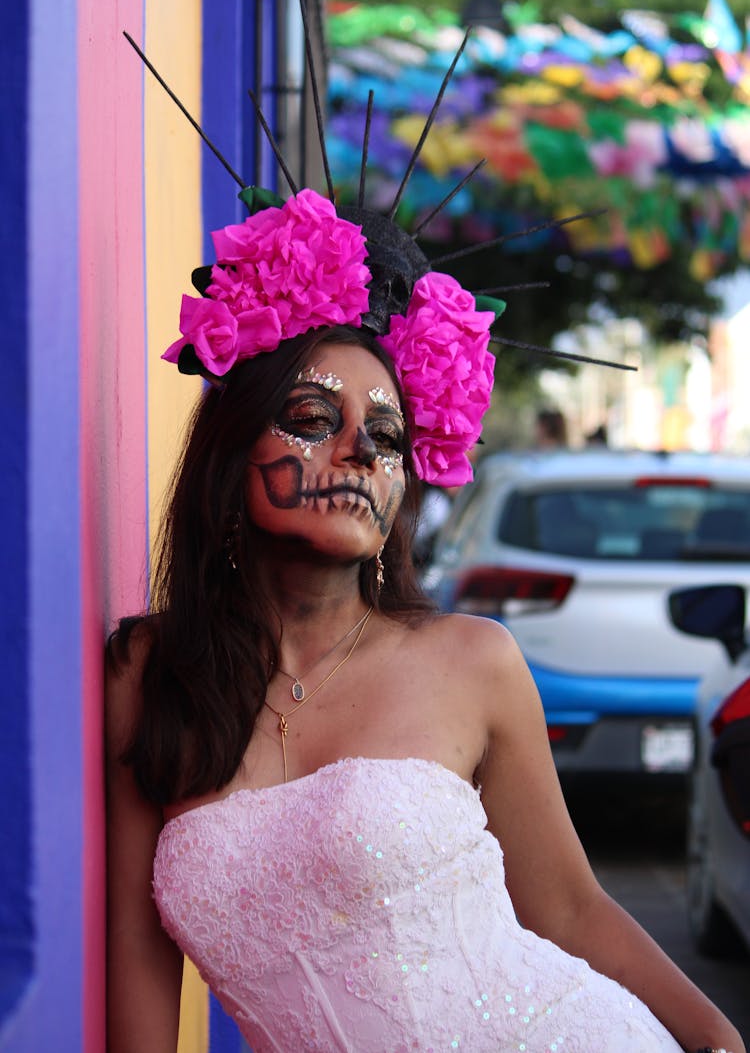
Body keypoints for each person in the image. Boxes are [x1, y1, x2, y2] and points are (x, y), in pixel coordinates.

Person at [106, 186, 744, 1053]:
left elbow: (565, 906)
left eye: (387, 434)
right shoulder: (151, 673)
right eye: (312, 419)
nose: (359, 451)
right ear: (231, 452)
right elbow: (138, 969)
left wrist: (712, 1035)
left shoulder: (473, 659)